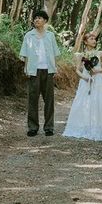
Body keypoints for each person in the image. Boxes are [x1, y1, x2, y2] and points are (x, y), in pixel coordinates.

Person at [19, 9, 61, 137]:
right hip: (34, 71)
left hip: (48, 70)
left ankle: (49, 127)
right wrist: (26, 69)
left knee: (49, 100)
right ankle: (33, 128)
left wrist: (55, 68)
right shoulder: (29, 35)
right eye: (35, 18)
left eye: (39, 18)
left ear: (45, 21)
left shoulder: (50, 35)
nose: (36, 20)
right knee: (33, 100)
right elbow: (25, 54)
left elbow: (55, 53)